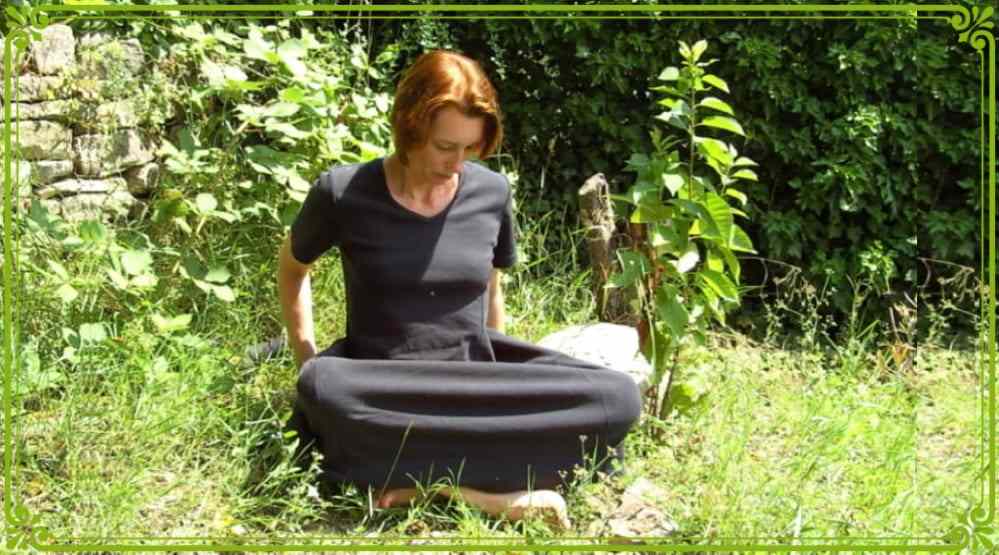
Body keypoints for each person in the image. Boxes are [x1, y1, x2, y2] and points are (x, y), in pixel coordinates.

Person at [277, 50, 641, 528]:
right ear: (410, 127)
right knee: (323, 387)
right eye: (445, 147)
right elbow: (292, 268)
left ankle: (424, 484)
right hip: (382, 387)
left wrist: (503, 391)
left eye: (469, 149)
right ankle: (498, 485)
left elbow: (493, 291)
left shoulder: (491, 192)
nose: (457, 164)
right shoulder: (344, 192)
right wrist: (308, 358)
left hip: (471, 375)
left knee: (618, 396)